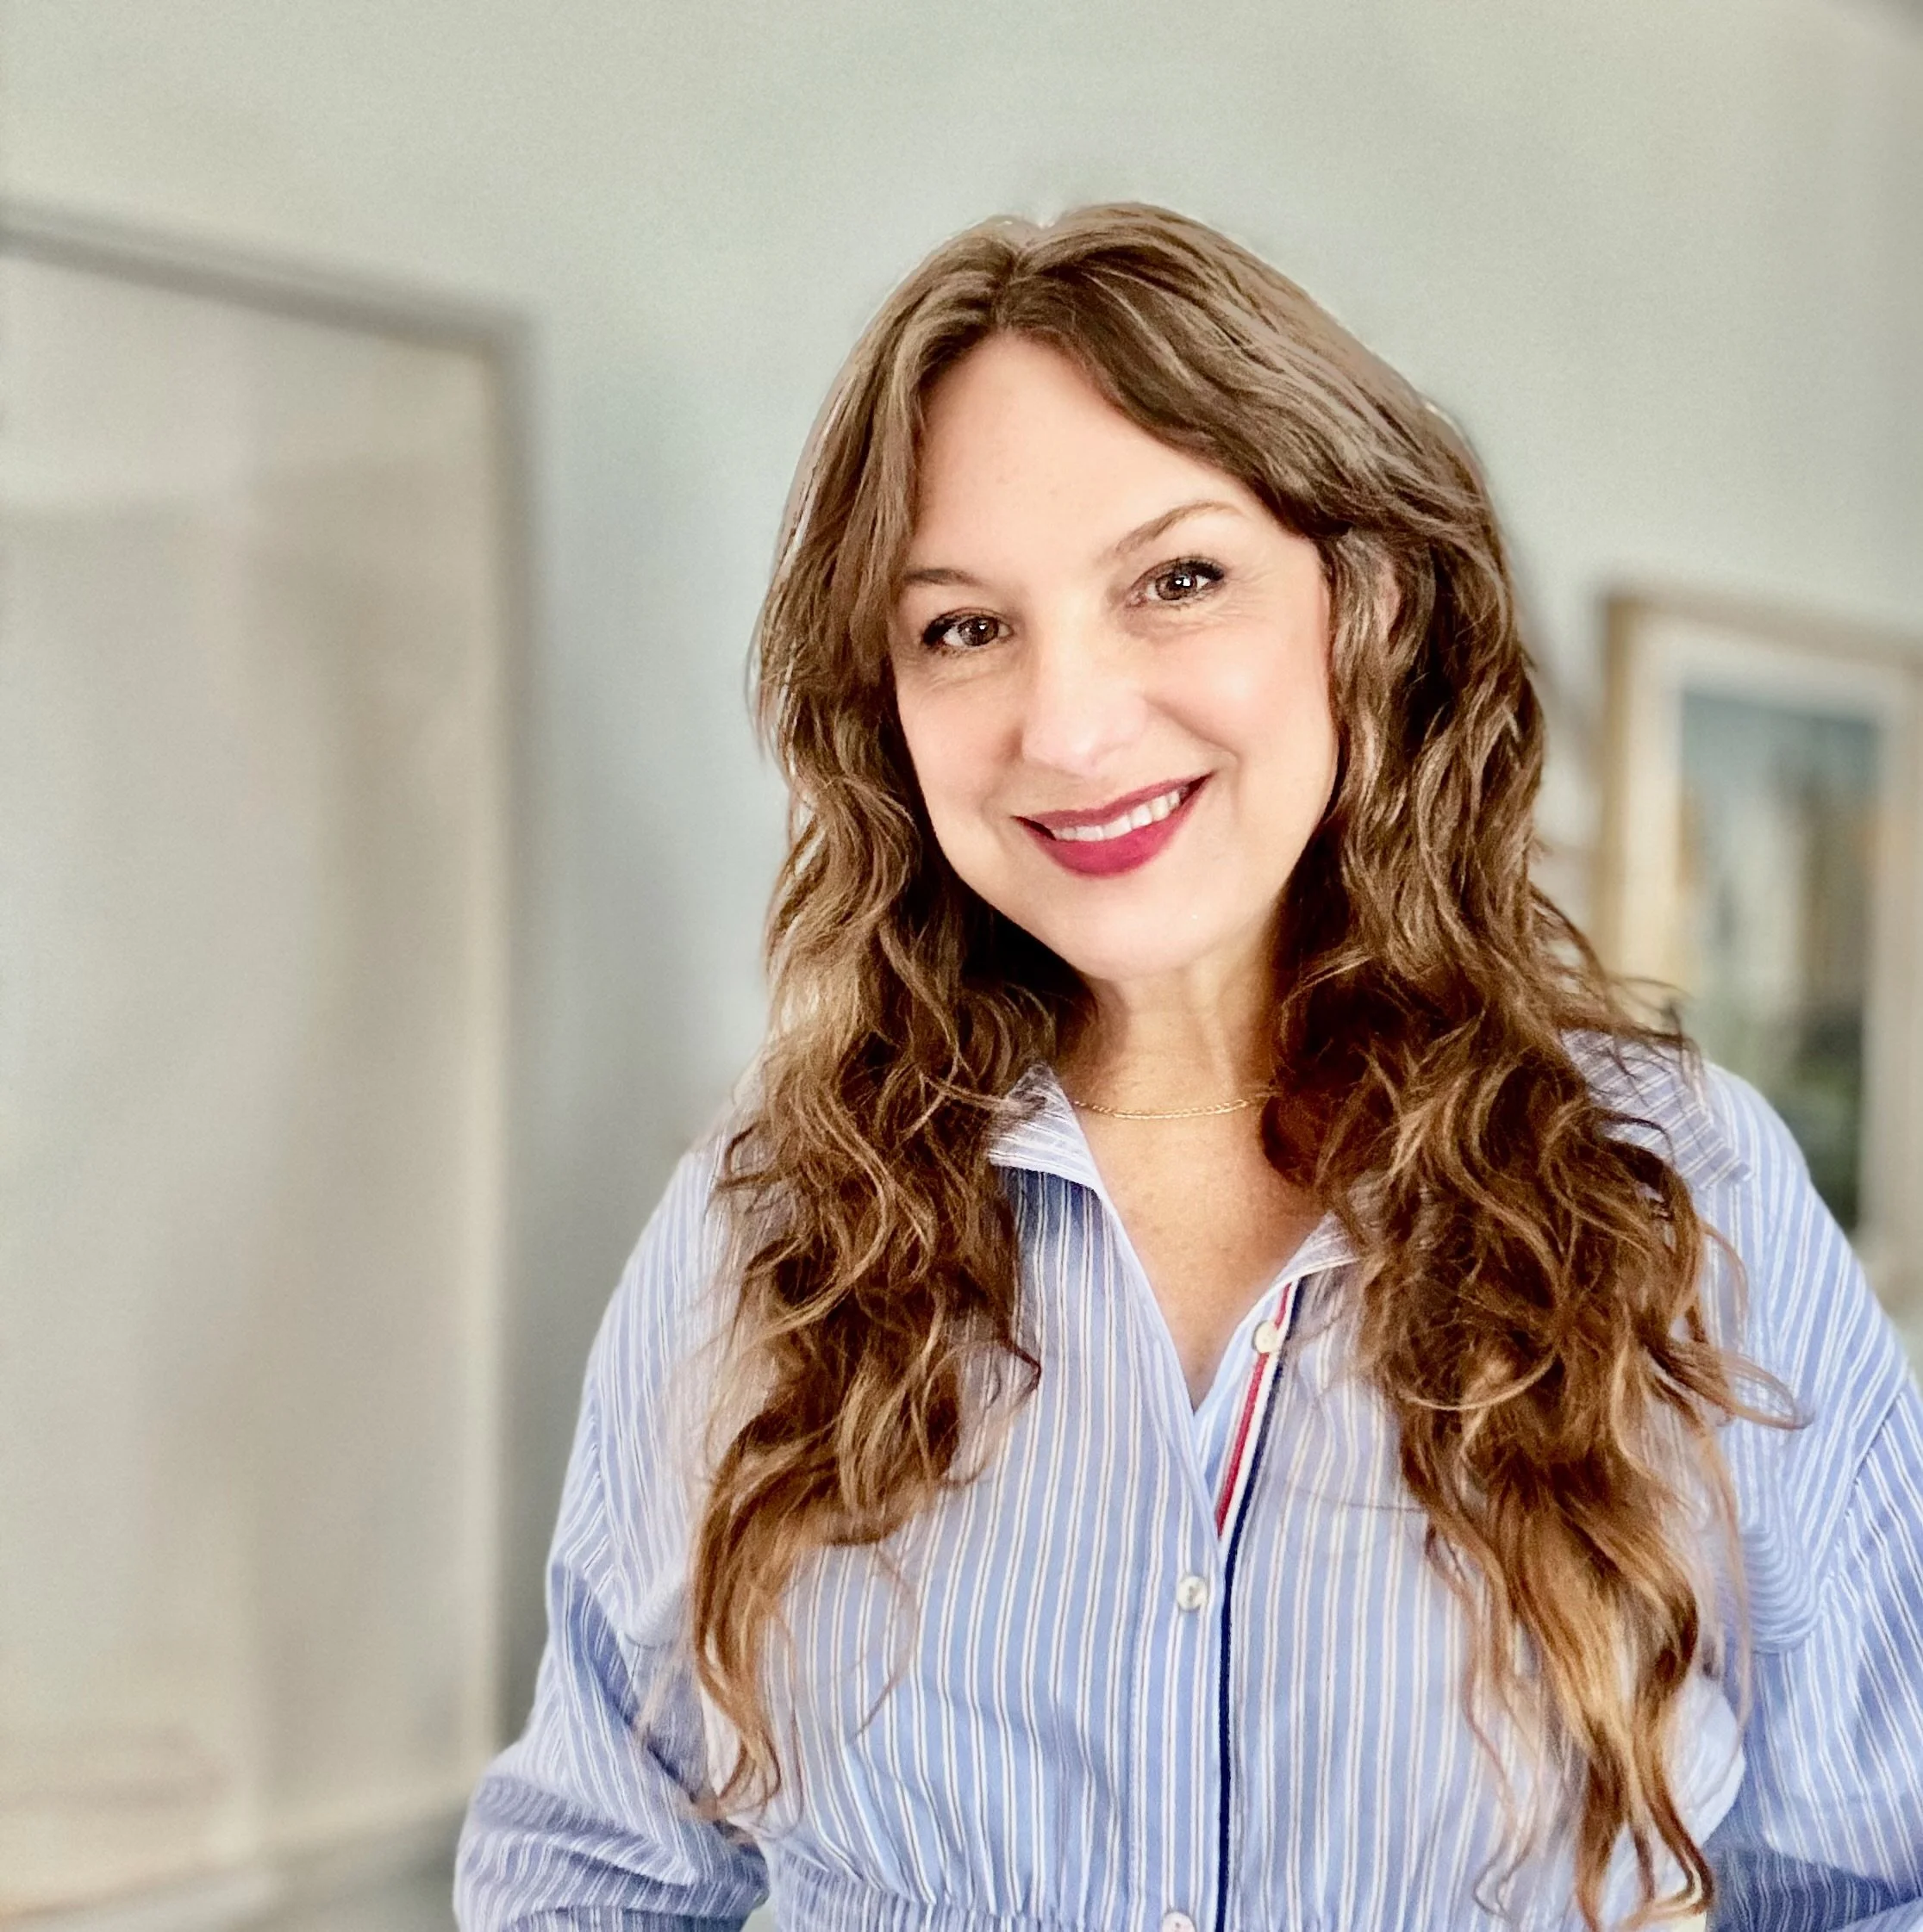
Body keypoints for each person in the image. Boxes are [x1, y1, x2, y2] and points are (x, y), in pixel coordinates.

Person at [453, 205, 1923, 1932]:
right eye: (959, 628)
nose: (1064, 725)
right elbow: (590, 1872)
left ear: (1364, 602)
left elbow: (1862, 1880)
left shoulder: (1685, 1193)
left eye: (1174, 580)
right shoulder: (766, 1219)